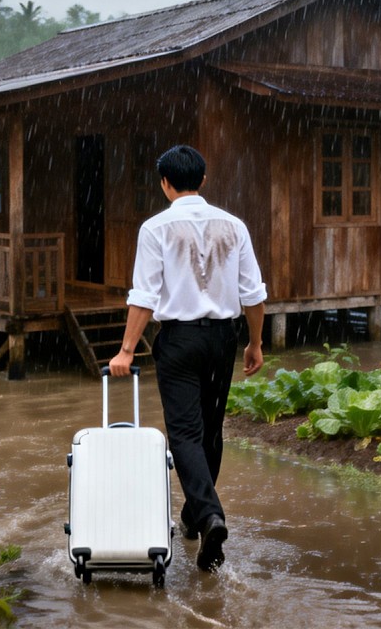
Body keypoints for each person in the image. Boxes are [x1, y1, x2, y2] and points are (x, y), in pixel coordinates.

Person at [109, 144, 266, 573]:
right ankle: (196, 516)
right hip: (222, 339)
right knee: (211, 430)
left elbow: (143, 296)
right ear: (204, 179)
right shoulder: (234, 225)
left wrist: (126, 350)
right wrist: (255, 342)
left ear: (164, 182)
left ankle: (209, 514)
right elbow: (253, 294)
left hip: (178, 340)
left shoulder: (155, 228)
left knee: (184, 434)